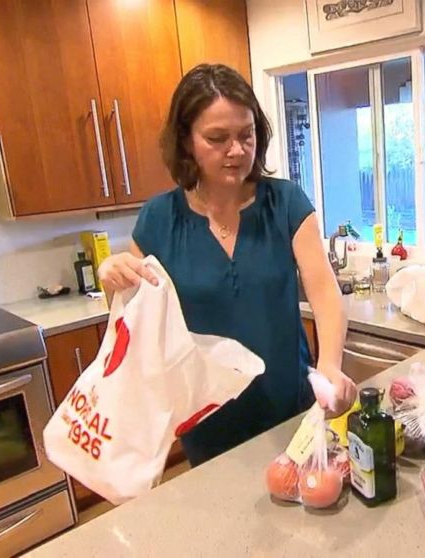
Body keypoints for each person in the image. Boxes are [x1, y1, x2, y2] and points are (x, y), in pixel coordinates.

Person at [98, 64, 357, 466]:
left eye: (246, 134)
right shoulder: (158, 219)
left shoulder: (285, 203)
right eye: (217, 138)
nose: (237, 150)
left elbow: (324, 292)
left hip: (289, 408)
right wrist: (111, 279)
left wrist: (330, 366)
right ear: (186, 142)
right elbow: (132, 318)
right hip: (207, 419)